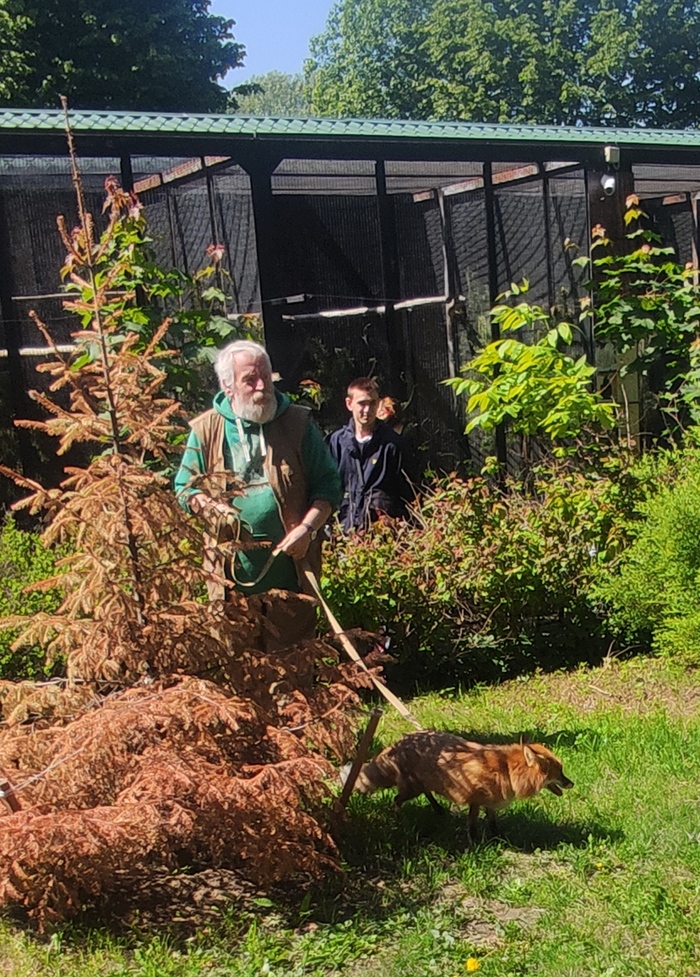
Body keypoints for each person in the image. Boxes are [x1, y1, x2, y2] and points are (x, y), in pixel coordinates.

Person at [175, 340, 342, 614]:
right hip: (231, 586)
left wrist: (307, 529)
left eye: (266, 377)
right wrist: (208, 506)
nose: (262, 387)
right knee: (240, 656)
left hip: (292, 579)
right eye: (250, 380)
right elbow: (185, 488)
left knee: (294, 655)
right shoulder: (206, 430)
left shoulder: (297, 423)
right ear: (228, 387)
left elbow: (328, 486)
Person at [327, 377, 418, 533]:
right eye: (362, 403)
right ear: (349, 404)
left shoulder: (393, 445)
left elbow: (409, 495)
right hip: (343, 533)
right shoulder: (336, 443)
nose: (367, 410)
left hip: (383, 536)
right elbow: (328, 488)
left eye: (372, 403)